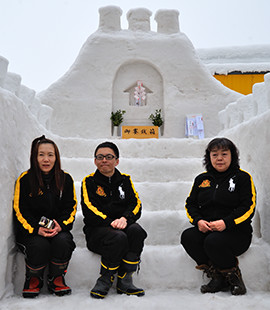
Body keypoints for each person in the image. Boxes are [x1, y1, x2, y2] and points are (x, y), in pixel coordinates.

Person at [180, 137, 256, 295]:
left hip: (236, 232)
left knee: (213, 241)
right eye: (214, 154)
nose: (219, 158)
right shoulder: (202, 179)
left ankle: (234, 277)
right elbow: (190, 204)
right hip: (208, 228)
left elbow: (248, 207)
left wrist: (226, 223)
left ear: (232, 156)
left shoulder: (243, 178)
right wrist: (198, 221)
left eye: (224, 154)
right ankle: (217, 277)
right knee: (188, 236)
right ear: (208, 158)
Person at [13, 135, 77, 298]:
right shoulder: (25, 179)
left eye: (50, 155)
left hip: (57, 228)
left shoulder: (65, 179)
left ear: (56, 157)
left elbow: (71, 207)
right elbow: (20, 210)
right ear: (34, 157)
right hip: (32, 230)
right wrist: (36, 229)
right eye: (41, 154)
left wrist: (60, 225)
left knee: (63, 241)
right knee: (39, 245)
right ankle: (33, 278)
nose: (46, 159)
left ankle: (56, 277)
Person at [81, 141, 147, 299]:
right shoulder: (89, 182)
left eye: (109, 157)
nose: (104, 160)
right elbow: (89, 209)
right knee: (118, 236)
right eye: (100, 157)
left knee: (137, 231)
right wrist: (110, 222)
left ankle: (125, 279)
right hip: (98, 232)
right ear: (95, 160)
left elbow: (135, 204)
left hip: (122, 224)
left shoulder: (125, 180)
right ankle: (105, 278)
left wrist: (125, 218)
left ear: (116, 161)